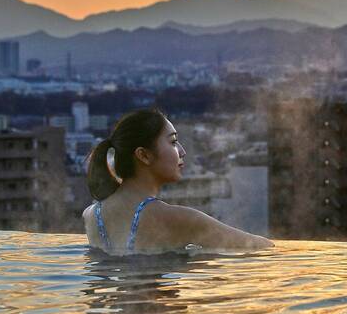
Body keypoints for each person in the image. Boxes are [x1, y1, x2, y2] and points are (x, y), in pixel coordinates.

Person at [82, 108, 273, 255]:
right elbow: (263, 247)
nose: (182, 151)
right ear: (144, 155)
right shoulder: (178, 219)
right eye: (173, 142)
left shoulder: (91, 215)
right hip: (160, 306)